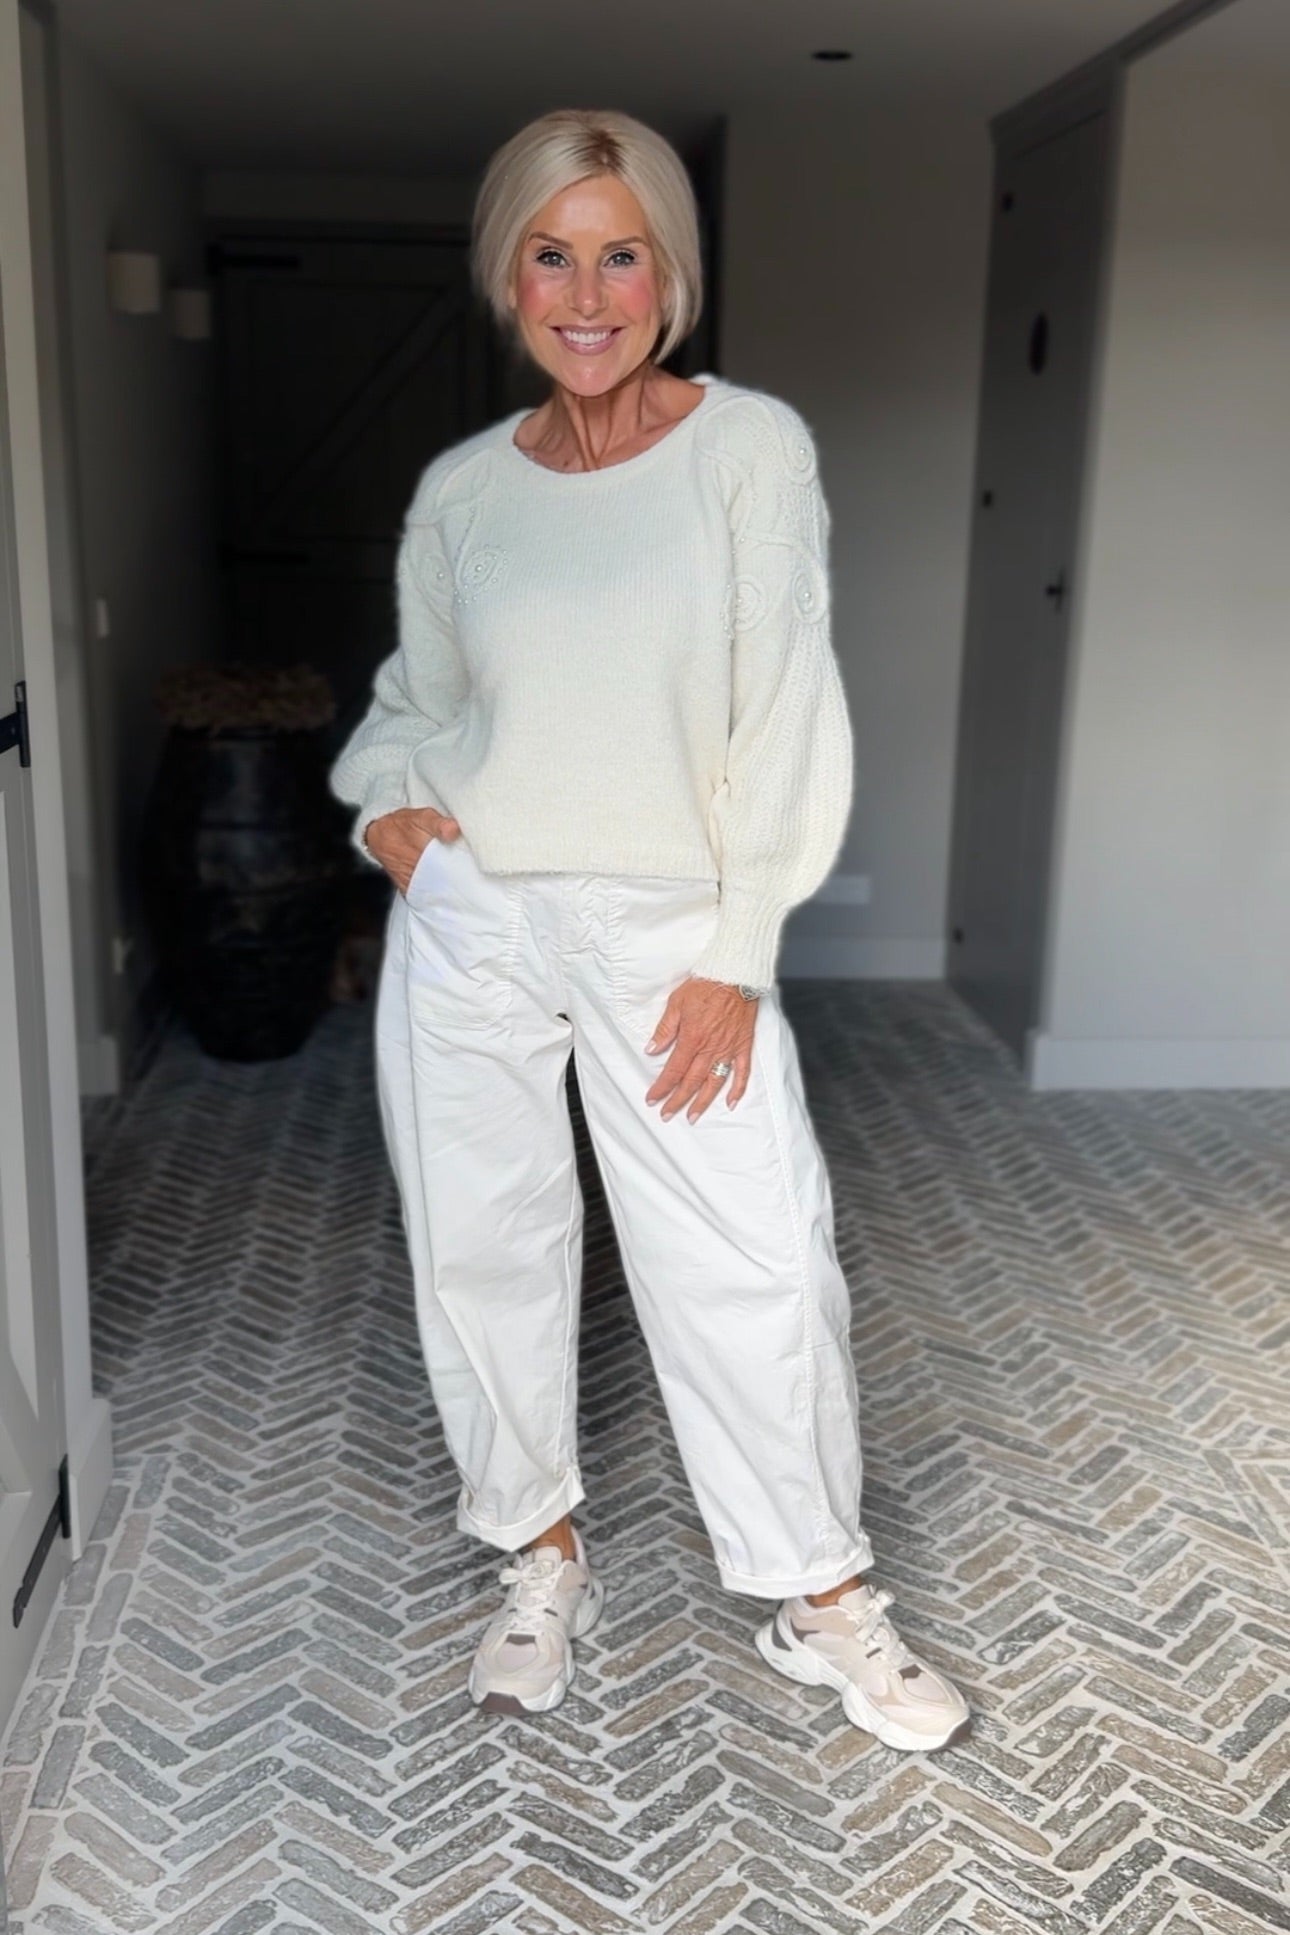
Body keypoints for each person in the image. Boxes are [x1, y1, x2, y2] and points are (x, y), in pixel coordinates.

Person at [329, 106, 970, 1753]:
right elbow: (422, 700)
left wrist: (738, 951)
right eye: (552, 256)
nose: (587, 295)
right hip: (475, 916)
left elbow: (784, 706)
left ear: (670, 273)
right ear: (508, 276)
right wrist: (387, 801)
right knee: (480, 1241)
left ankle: (820, 1595)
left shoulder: (746, 451)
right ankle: (536, 1552)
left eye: (621, 255)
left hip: (668, 927)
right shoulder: (465, 492)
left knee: (753, 1258)